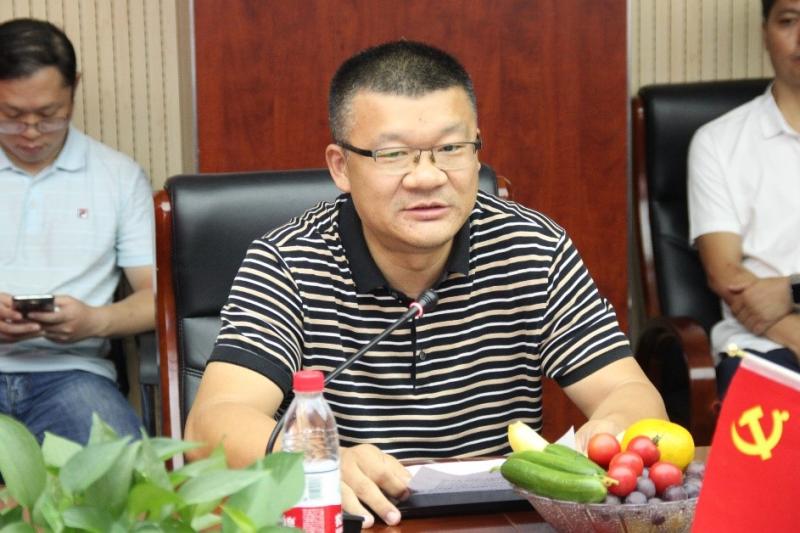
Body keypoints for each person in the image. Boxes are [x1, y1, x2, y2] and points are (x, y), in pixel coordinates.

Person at [185, 40, 666, 528]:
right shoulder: (288, 261)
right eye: (394, 154)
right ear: (341, 167)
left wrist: (613, 428)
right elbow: (211, 428)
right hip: (354, 522)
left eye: (451, 148)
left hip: (496, 522)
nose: (427, 177)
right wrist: (314, 460)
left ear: (477, 151)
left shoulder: (531, 247)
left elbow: (631, 392)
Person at [0, 19, 154, 444]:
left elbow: (157, 298)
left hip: (73, 375)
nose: (31, 133)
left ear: (74, 88)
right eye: (11, 117)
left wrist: (94, 321)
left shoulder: (118, 176)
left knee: (126, 473)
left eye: (49, 116)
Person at [688, 0, 800, 399]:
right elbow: (726, 275)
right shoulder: (718, 141)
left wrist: (790, 290)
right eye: (789, 21)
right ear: (765, 32)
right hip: (763, 347)